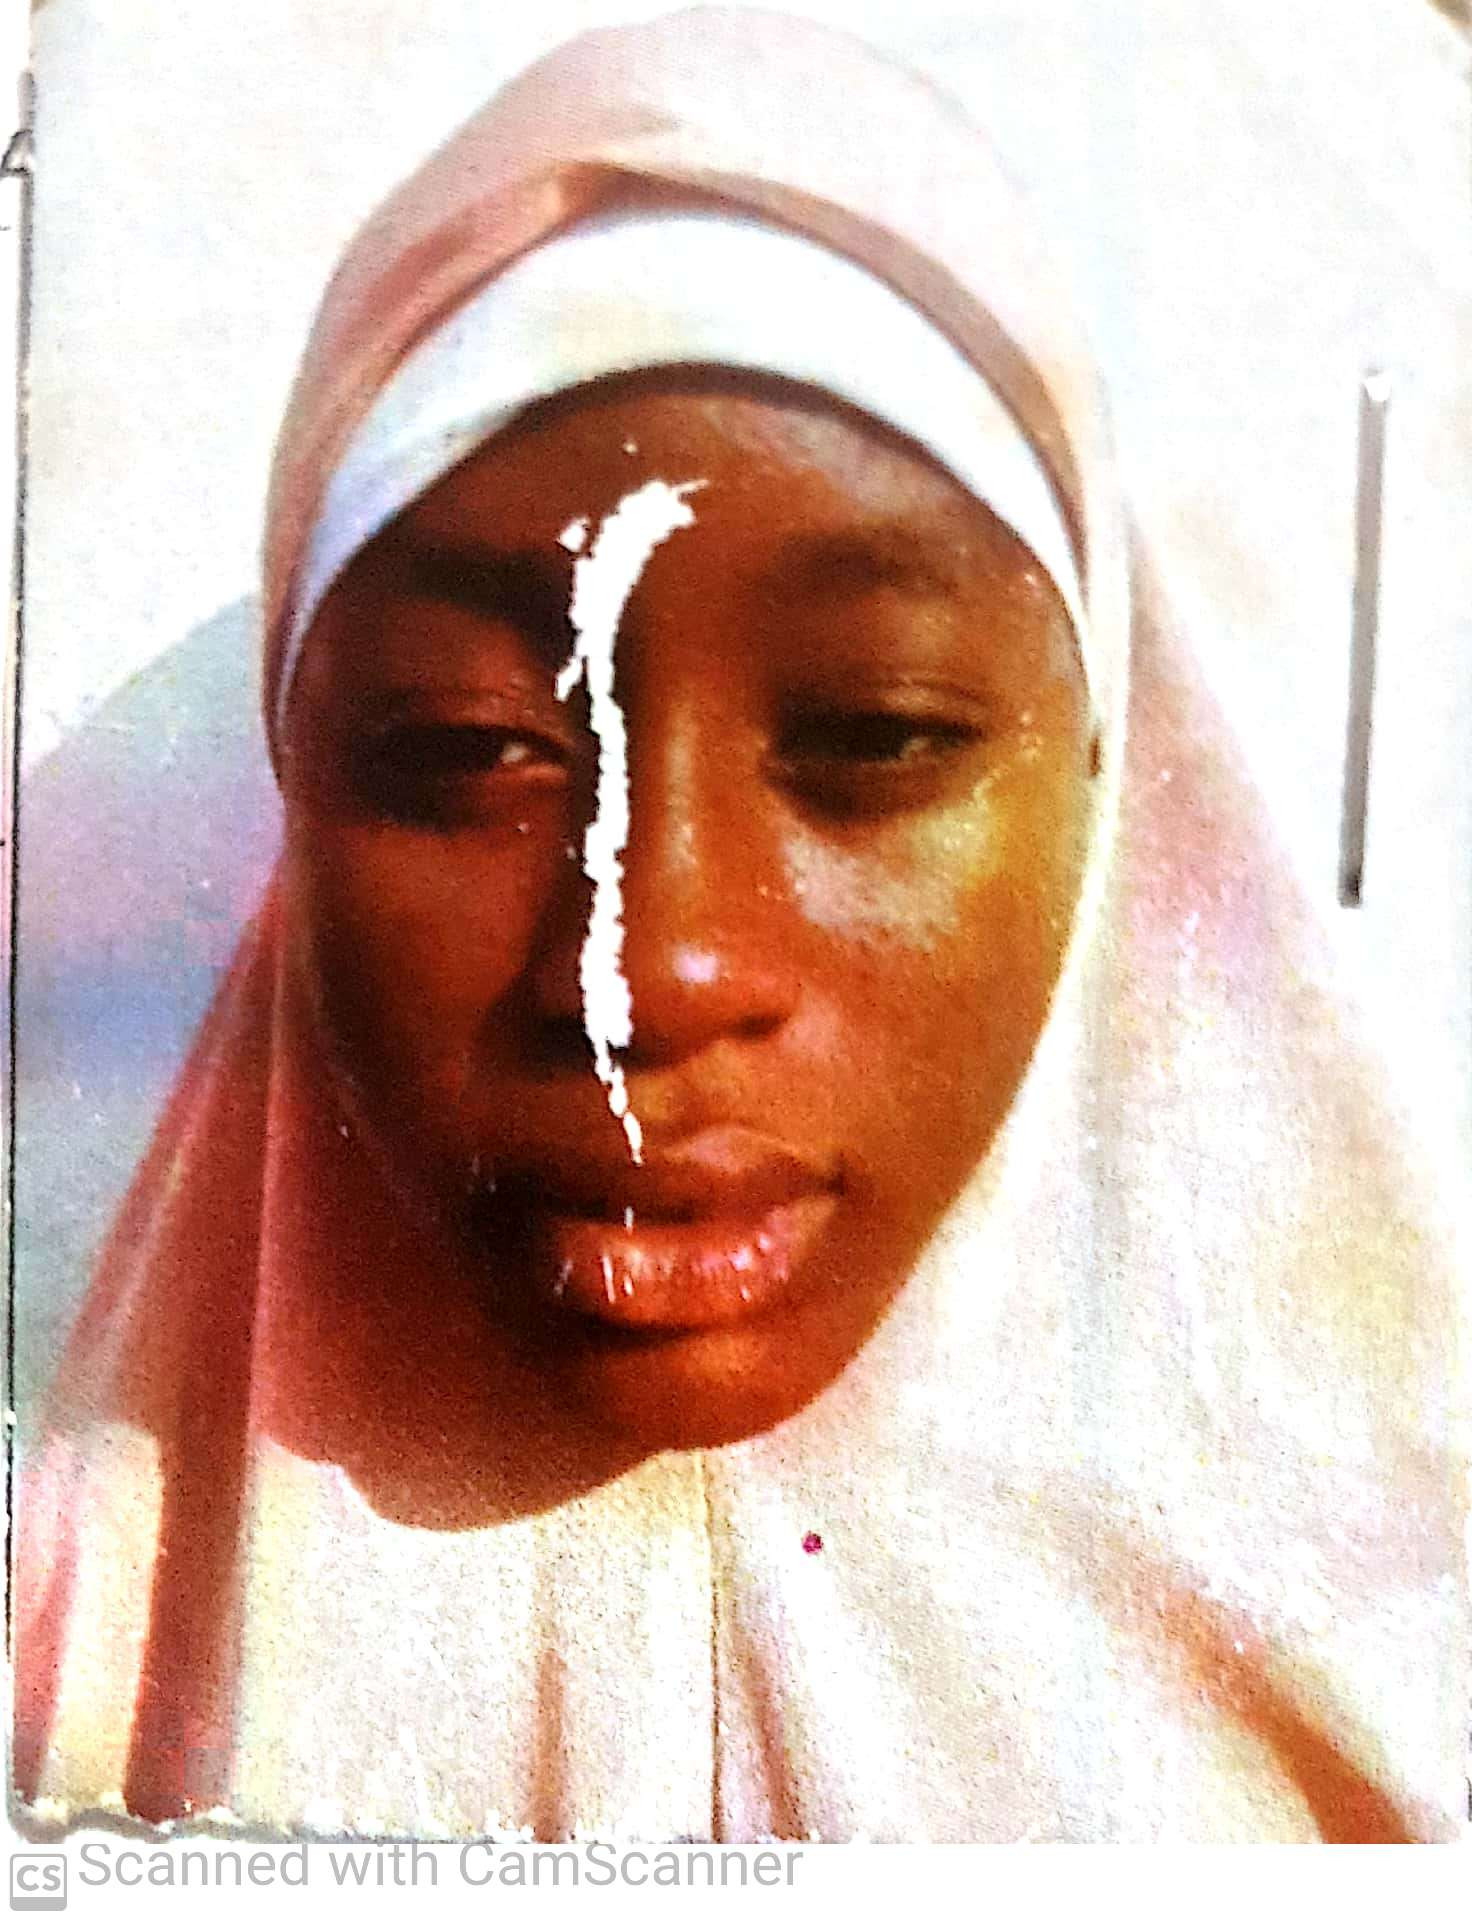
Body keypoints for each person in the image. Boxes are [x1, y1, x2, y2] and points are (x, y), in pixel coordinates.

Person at [14, 8, 1463, 1842]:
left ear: (1108, 772)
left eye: (877, 732)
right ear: (294, 767)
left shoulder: (1405, 1681)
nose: (651, 968)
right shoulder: (55, 1670)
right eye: (468, 745)